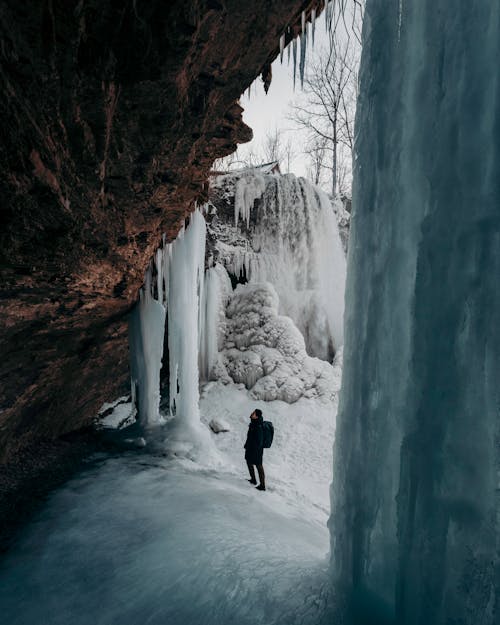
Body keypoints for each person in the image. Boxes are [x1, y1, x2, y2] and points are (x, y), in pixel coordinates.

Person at [244, 409, 266, 491]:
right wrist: (247, 445)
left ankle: (262, 486)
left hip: (256, 450)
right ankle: (253, 479)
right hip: (250, 448)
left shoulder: (258, 426)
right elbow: (250, 437)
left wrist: (253, 448)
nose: (251, 413)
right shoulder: (253, 423)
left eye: (253, 413)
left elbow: (259, 441)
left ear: (256, 416)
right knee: (249, 462)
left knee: (259, 466)